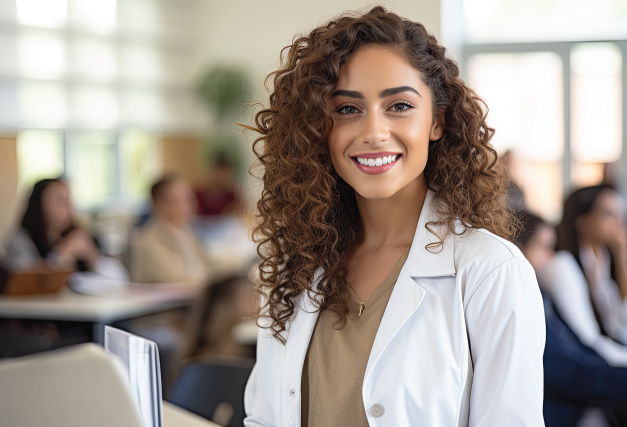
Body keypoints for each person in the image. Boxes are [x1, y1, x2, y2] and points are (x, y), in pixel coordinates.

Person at [242, 7, 545, 426]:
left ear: (437, 121)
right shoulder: (295, 264)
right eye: (347, 109)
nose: (373, 132)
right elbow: (264, 417)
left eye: (399, 105)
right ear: (319, 127)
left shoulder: (489, 271)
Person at [516, 210, 627, 426]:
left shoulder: (543, 293)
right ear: (518, 251)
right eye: (543, 247)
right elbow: (567, 371)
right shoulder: (524, 301)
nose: (551, 257)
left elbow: (582, 350)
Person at [538, 185, 627, 353]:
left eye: (620, 215)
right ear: (582, 220)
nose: (619, 223)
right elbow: (588, 340)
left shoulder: (604, 259)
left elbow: (621, 326)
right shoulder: (562, 266)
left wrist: (621, 258)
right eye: (609, 214)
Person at [3, 178, 99, 272]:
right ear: (40, 205)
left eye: (69, 201)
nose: (70, 208)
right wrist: (63, 252)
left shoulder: (72, 235)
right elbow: (30, 280)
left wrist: (91, 255)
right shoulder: (20, 241)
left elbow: (100, 267)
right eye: (62, 201)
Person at [130, 174, 211, 284]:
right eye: (178, 201)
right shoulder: (148, 242)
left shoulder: (187, 233)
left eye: (189, 200)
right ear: (158, 204)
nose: (187, 207)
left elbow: (209, 266)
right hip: (170, 299)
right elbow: (178, 280)